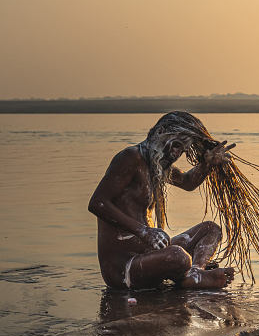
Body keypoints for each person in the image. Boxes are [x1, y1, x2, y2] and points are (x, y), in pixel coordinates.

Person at [88, 111, 236, 290]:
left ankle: (195, 272)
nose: (176, 154)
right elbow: (97, 203)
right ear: (160, 132)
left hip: (151, 254)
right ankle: (189, 274)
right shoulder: (131, 158)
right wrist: (144, 232)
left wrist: (208, 164)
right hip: (124, 269)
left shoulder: (157, 165)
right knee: (178, 257)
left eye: (182, 150)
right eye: (176, 145)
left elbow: (188, 182)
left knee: (211, 229)